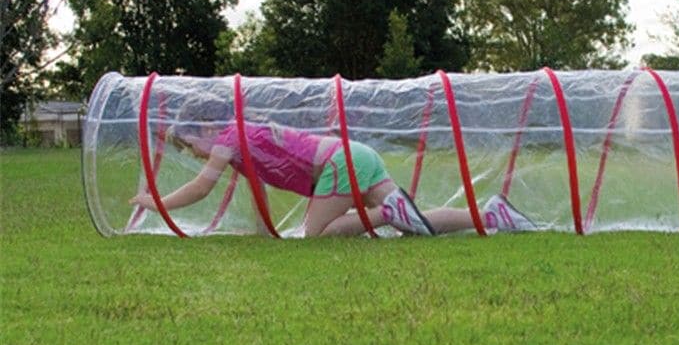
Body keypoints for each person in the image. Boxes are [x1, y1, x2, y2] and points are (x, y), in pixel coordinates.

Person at [130, 120, 536, 238]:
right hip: (354, 155)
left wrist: (155, 204)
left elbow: (201, 188)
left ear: (204, 129)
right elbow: (258, 191)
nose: (196, 153)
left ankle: (383, 213)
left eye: (190, 144)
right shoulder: (241, 140)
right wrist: (262, 232)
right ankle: (491, 216)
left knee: (318, 236)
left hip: (339, 165)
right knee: (418, 224)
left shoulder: (226, 138)